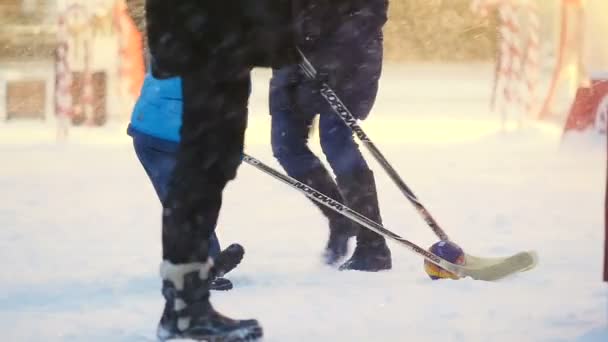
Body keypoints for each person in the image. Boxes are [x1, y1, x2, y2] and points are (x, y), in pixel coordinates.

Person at [135, 0, 298, 340]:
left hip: (226, 41)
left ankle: (186, 305)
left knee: (213, 169)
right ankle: (185, 308)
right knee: (198, 175)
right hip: (208, 40)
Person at [269, 0, 392, 271]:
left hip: (351, 57)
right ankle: (341, 218)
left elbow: (370, 12)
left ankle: (373, 246)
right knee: (286, 145)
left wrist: (336, 58)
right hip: (294, 56)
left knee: (335, 139)